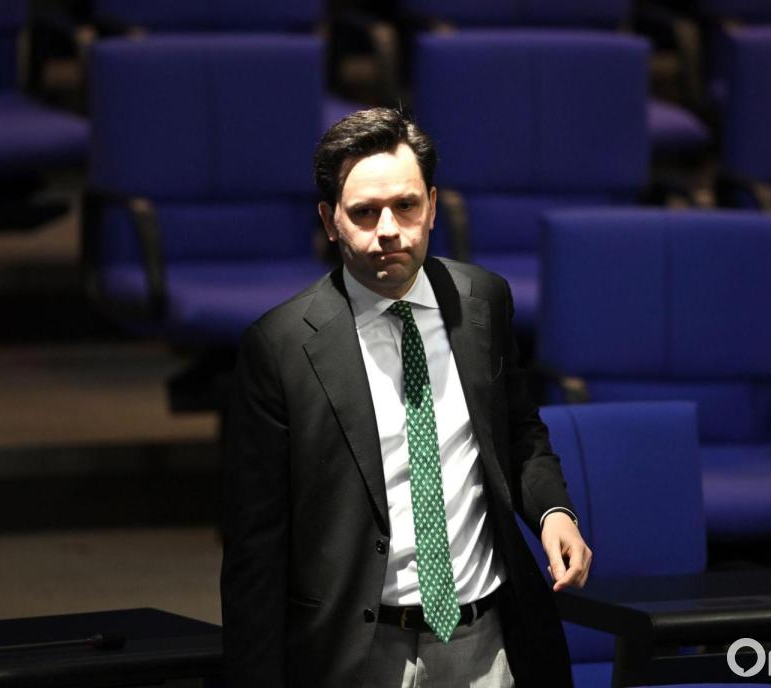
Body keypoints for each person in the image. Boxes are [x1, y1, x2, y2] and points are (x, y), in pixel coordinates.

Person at [221, 108, 592, 687]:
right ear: (329, 220)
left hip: (487, 639)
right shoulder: (279, 347)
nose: (389, 229)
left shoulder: (483, 301)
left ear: (433, 206)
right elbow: (255, 549)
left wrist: (552, 511)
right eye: (364, 213)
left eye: (406, 206)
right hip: (357, 650)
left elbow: (519, 432)